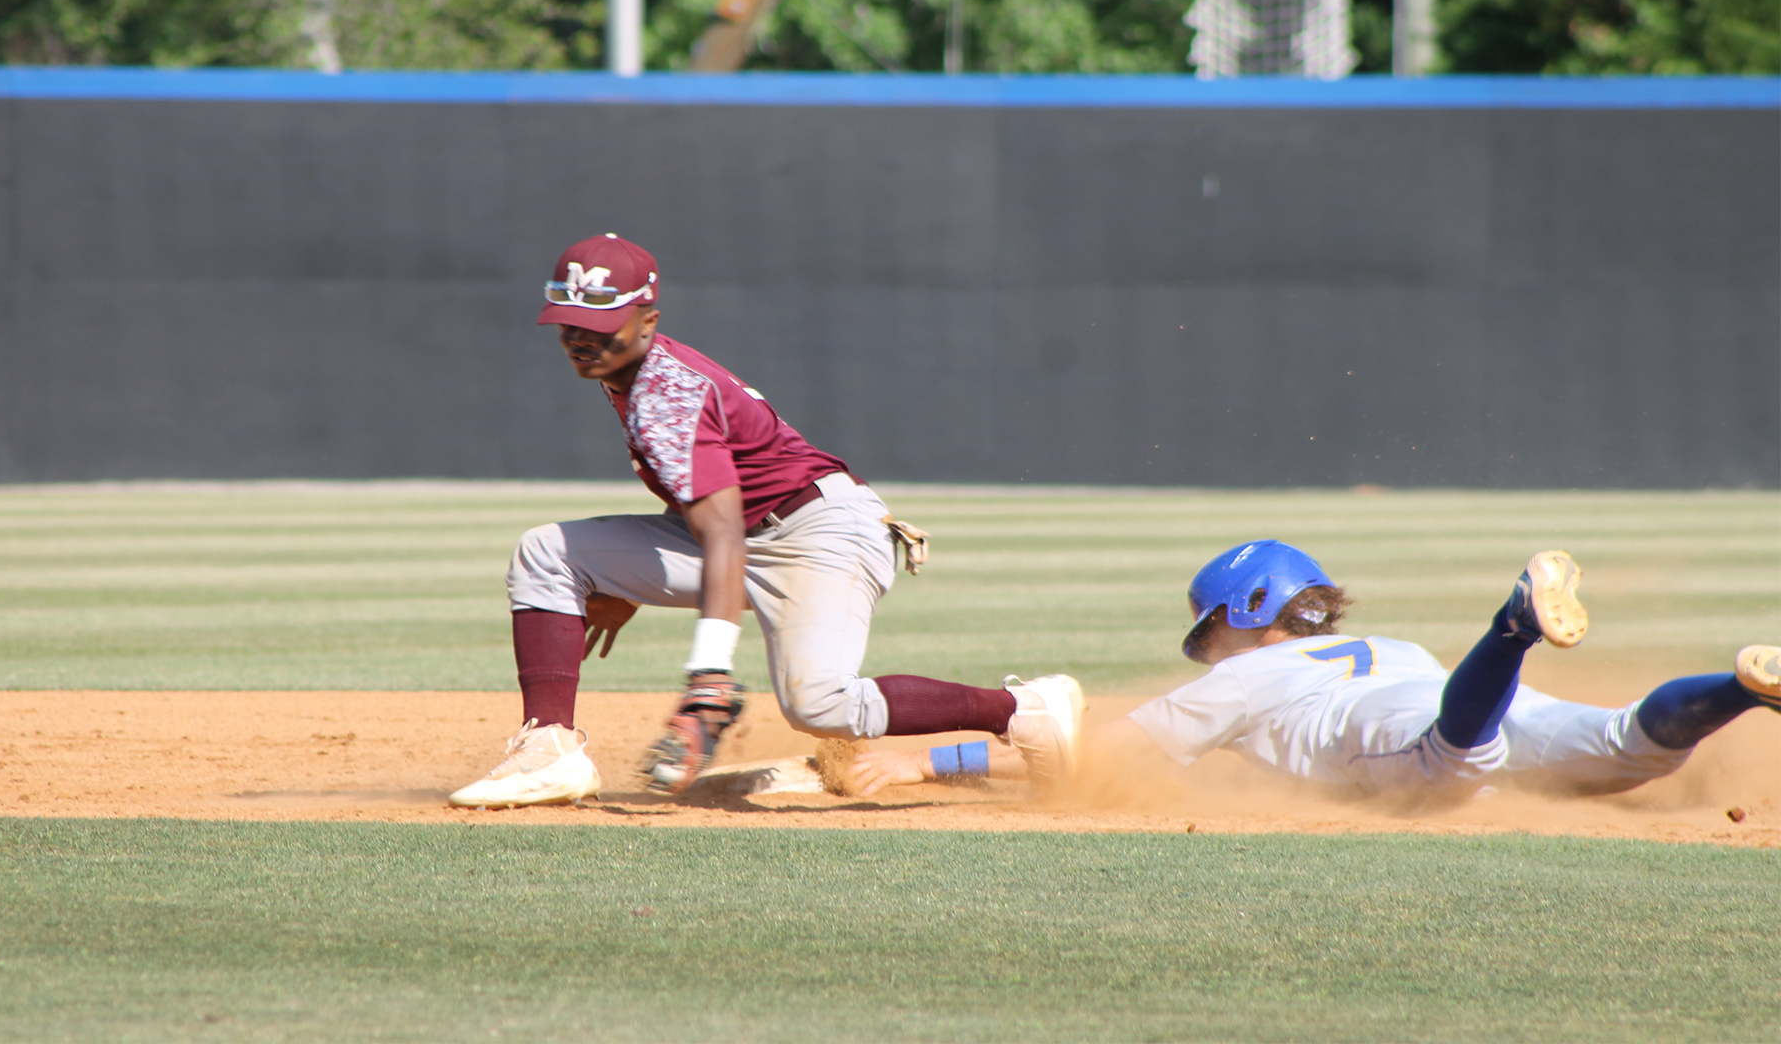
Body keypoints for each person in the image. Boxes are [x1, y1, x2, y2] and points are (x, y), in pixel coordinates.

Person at [448, 233, 1083, 808]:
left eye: (601, 323)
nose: (582, 337)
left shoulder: (667, 395)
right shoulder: (632, 374)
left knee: (820, 703)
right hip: (751, 530)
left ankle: (1023, 710)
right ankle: (549, 749)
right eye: (570, 323)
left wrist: (709, 677)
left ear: (648, 320)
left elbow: (723, 532)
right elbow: (700, 501)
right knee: (549, 552)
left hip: (818, 533)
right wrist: (618, 584)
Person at [846, 540, 1781, 803]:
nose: (1205, 644)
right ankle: (1743, 687)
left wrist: (933, 764)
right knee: (1627, 746)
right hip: (1428, 690)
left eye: (1211, 625)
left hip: (1390, 737)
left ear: (1249, 615)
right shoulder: (1385, 644)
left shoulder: (1241, 680)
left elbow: (1082, 756)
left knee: (1454, 766)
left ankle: (1511, 626)